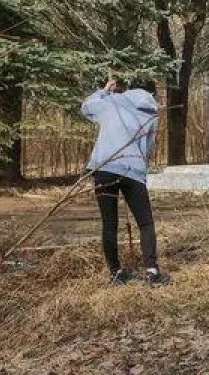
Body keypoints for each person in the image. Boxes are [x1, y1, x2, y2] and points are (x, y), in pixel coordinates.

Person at [81, 77, 170, 286]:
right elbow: (149, 147)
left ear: (129, 89)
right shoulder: (151, 112)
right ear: (152, 94)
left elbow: (86, 108)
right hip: (132, 170)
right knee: (145, 222)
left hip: (104, 168)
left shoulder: (111, 101)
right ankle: (152, 272)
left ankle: (115, 273)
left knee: (109, 223)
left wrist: (104, 91)